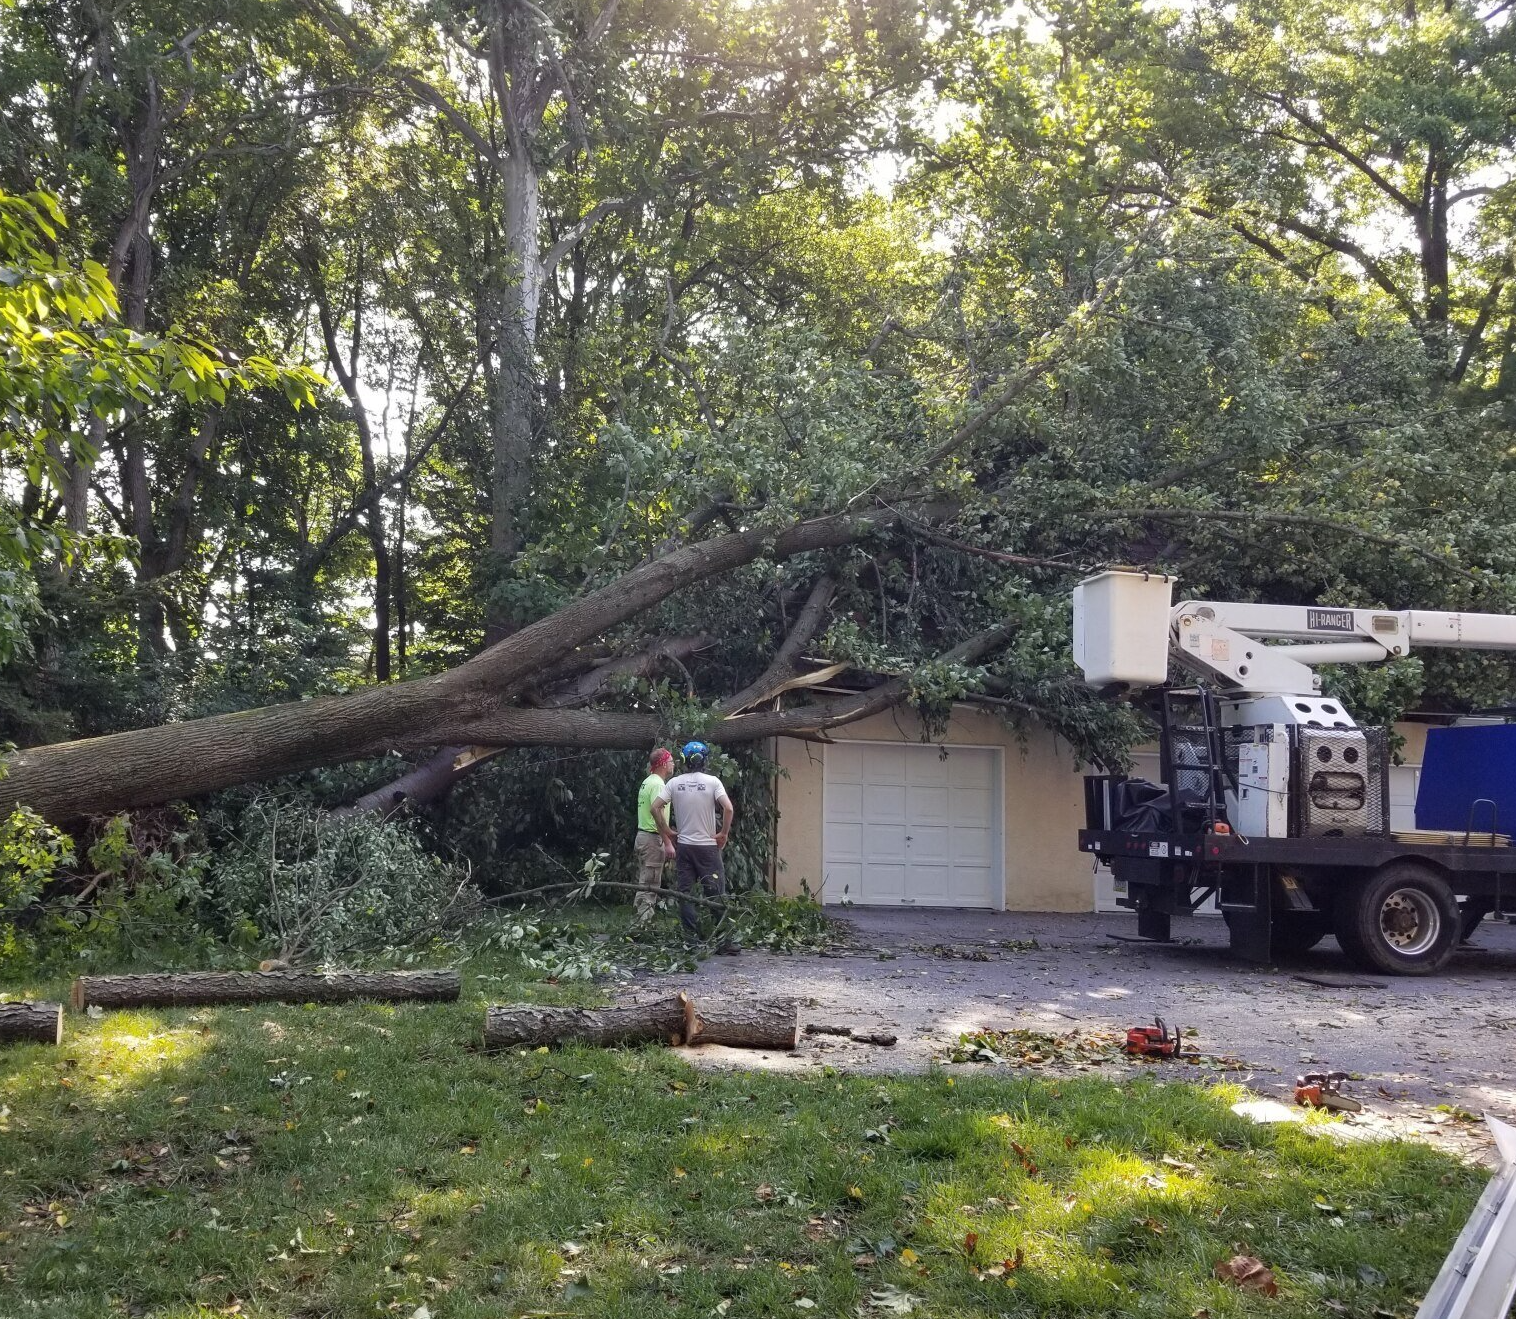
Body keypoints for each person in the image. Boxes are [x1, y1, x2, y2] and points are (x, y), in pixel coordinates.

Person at [652, 741, 739, 952]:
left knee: (685, 894)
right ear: (705, 760)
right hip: (708, 848)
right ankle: (724, 941)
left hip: (684, 847)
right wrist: (723, 834)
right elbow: (728, 808)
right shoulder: (713, 782)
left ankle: (690, 941)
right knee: (716, 893)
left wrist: (668, 831)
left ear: (684, 761)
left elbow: (655, 807)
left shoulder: (674, 783)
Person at [633, 748, 676, 922]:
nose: (674, 765)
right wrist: (667, 842)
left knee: (644, 881)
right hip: (651, 839)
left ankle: (638, 921)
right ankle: (644, 923)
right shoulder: (658, 784)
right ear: (664, 764)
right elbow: (657, 816)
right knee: (650, 884)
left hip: (642, 837)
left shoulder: (647, 781)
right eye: (672, 761)